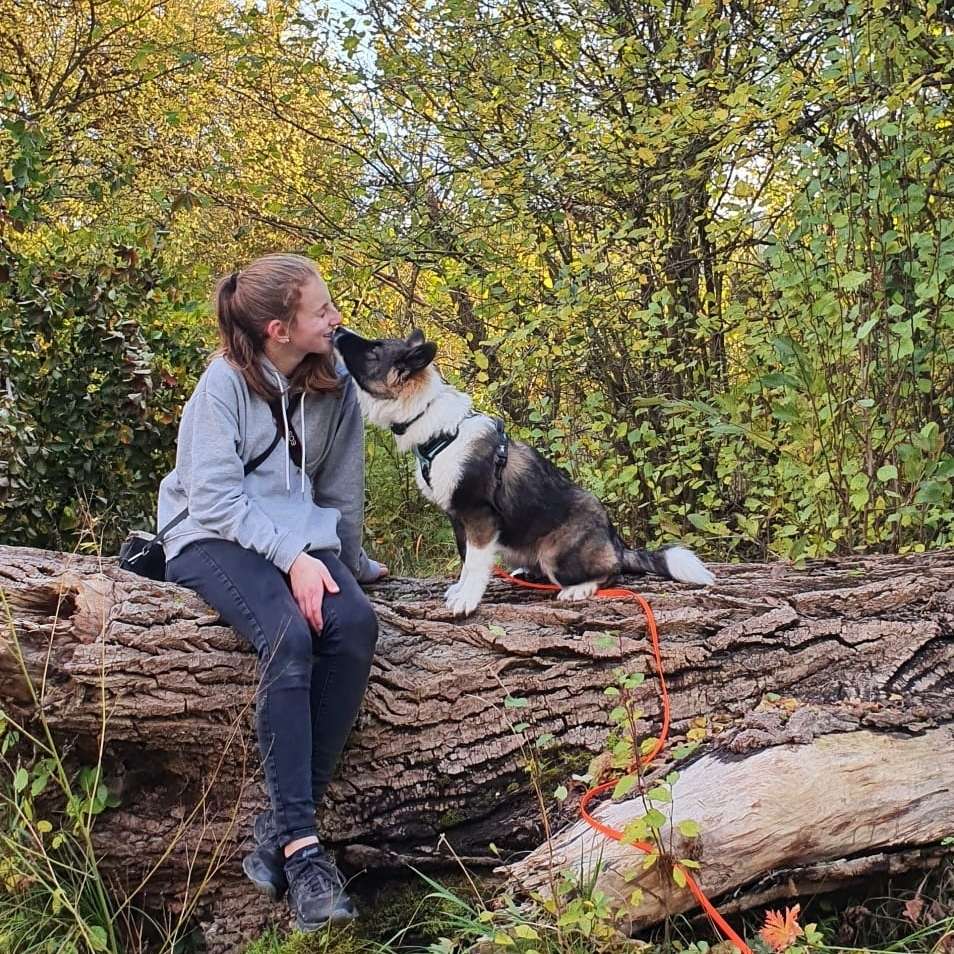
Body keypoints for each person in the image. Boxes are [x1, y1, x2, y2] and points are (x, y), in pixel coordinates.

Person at [156, 252, 388, 931]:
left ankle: (277, 824)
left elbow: (339, 487)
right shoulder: (222, 385)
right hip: (209, 536)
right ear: (278, 330)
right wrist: (291, 559)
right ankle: (303, 850)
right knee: (288, 635)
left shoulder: (335, 382)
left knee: (356, 627)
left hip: (298, 538)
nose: (337, 318)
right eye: (322, 311)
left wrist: (348, 561)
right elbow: (213, 496)